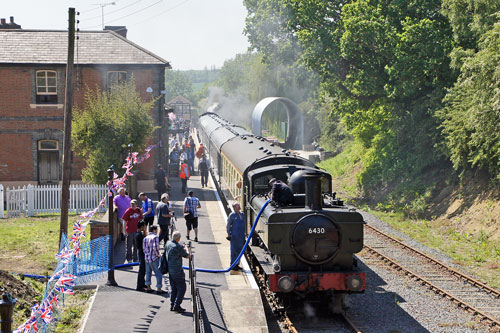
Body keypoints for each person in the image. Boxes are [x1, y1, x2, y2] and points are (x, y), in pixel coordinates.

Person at [166, 231, 190, 312]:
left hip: (170, 269)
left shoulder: (168, 243)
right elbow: (187, 255)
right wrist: (186, 248)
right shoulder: (178, 247)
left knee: (174, 288)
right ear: (178, 238)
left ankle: (172, 304)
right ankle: (177, 305)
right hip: (177, 270)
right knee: (182, 288)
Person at [143, 225, 164, 294]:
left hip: (147, 258)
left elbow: (144, 249)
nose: (157, 231)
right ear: (154, 230)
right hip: (154, 258)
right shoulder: (155, 237)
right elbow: (155, 247)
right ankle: (159, 288)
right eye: (157, 230)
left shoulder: (145, 238)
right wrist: (158, 255)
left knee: (148, 272)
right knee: (158, 273)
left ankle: (148, 287)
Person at [226, 202, 245, 271]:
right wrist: (229, 234)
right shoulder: (232, 215)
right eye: (238, 206)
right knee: (233, 250)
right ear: (234, 207)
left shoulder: (242, 214)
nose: (239, 207)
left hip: (241, 235)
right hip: (234, 235)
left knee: (240, 250)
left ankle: (237, 264)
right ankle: (233, 264)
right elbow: (228, 225)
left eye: (239, 205)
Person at [134, 221, 148, 292]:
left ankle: (142, 283)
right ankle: (139, 286)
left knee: (143, 269)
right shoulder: (139, 235)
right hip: (142, 254)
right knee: (142, 270)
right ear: (142, 227)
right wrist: (145, 231)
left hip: (141, 253)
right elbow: (146, 241)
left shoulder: (138, 234)